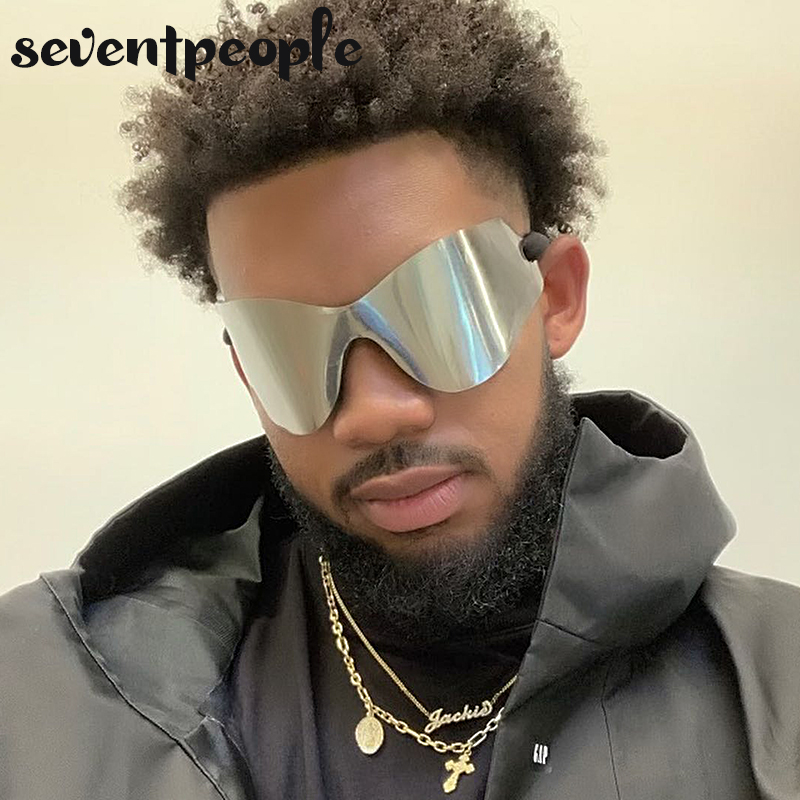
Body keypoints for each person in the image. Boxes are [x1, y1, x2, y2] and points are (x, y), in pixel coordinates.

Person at [1, 0, 798, 797]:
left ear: (554, 297)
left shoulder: (780, 695)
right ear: (246, 371)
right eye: (288, 348)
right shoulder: (39, 698)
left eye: (437, 308)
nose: (373, 412)